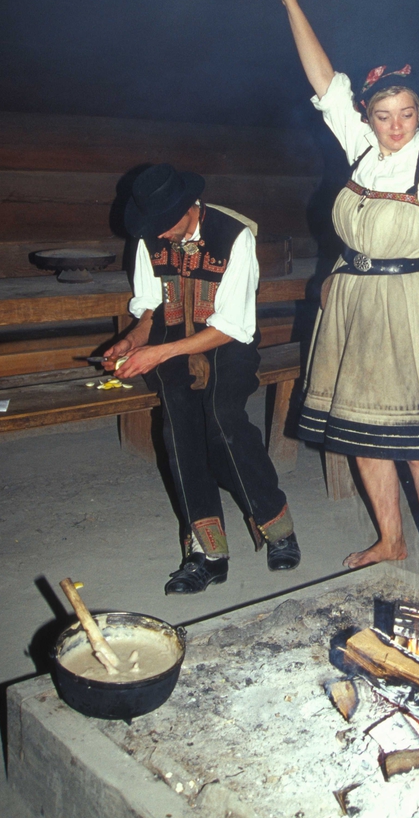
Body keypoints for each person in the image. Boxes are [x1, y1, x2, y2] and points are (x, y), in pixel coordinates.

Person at [271, 0, 419, 586]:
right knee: (365, 438)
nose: (396, 127)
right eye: (384, 115)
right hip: (356, 307)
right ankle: (392, 541)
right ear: (367, 117)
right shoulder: (362, 150)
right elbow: (323, 78)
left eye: (407, 114)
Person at [103, 163, 301, 594]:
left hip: (227, 343)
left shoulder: (234, 237)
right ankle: (207, 554)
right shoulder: (150, 235)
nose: (162, 234)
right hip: (169, 339)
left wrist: (160, 350)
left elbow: (234, 325)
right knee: (181, 434)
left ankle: (278, 528)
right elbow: (151, 305)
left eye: (167, 224)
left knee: (224, 422)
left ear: (193, 207)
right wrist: (134, 340)